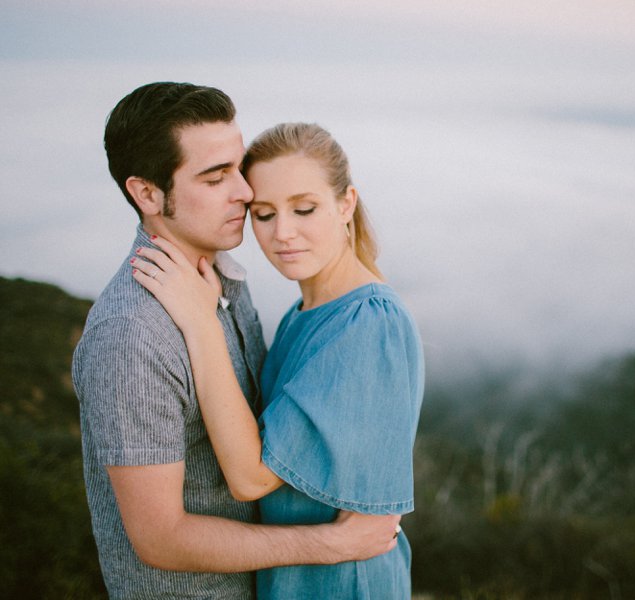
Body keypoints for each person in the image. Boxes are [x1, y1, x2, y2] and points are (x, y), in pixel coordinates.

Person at [72, 83, 400, 600]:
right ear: (147, 193)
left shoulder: (222, 282)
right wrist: (333, 544)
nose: (246, 193)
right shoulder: (133, 335)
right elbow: (161, 539)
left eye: (236, 168)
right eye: (215, 176)